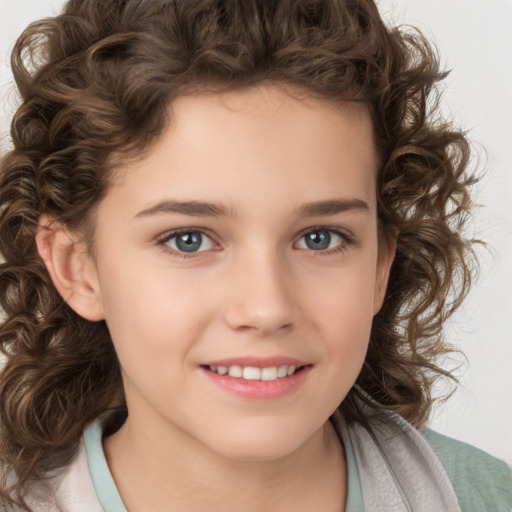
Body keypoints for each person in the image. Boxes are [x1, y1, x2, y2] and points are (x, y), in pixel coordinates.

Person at [0, 0, 510, 510]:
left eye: (320, 238)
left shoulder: (483, 496)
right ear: (77, 268)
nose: (267, 308)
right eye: (189, 240)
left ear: (380, 264)